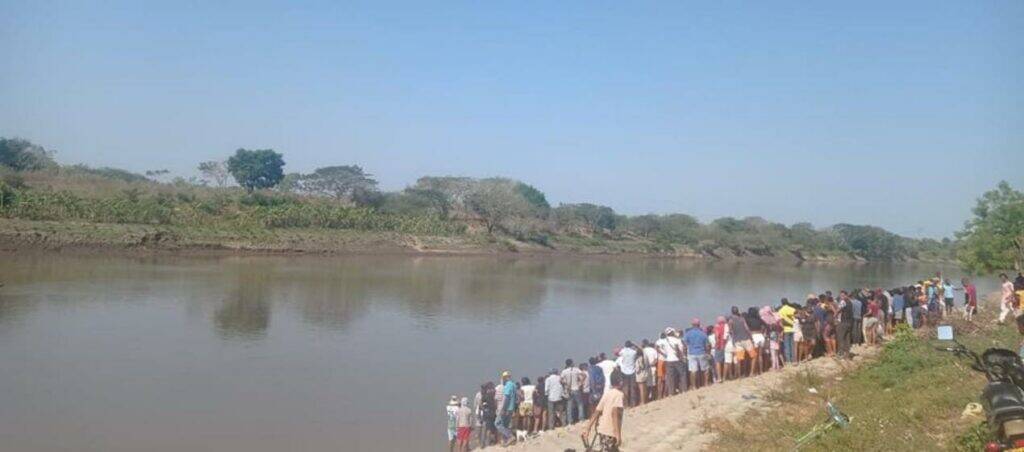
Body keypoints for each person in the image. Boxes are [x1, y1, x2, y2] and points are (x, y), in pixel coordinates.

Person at [581, 371, 625, 452]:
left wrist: (588, 428)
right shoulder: (619, 395)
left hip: (602, 430)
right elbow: (615, 414)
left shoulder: (607, 394)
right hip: (611, 432)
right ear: (621, 382)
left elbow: (597, 412)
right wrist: (617, 434)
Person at [656, 328, 686, 394]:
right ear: (672, 332)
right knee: (682, 375)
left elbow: (657, 347)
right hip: (677, 359)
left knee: (670, 377)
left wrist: (664, 354)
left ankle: (671, 392)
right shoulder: (677, 340)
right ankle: (683, 390)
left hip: (668, 360)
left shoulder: (664, 341)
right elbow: (682, 349)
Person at [729, 306, 756, 377]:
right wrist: (751, 337)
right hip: (746, 339)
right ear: (738, 311)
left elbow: (731, 331)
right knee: (753, 356)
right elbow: (747, 329)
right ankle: (751, 373)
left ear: (732, 312)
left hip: (737, 341)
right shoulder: (742, 319)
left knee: (739, 359)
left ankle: (740, 375)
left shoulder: (730, 321)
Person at [684, 318, 710, 389]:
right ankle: (706, 384)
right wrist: (708, 353)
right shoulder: (703, 334)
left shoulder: (688, 333)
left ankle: (693, 386)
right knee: (705, 369)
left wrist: (685, 354)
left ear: (692, 325)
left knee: (693, 371)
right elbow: (707, 345)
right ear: (699, 325)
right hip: (702, 352)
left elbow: (685, 345)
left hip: (692, 353)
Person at [560, 359, 586, 424]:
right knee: (579, 404)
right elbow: (584, 375)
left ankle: (570, 421)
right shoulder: (576, 369)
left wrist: (565, 384)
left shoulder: (564, 371)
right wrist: (581, 382)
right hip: (576, 388)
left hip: (569, 390)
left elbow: (560, 380)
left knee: (569, 406)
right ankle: (581, 419)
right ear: (571, 363)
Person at [496, 371, 517, 446]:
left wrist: (503, 409)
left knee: (497, 423)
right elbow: (515, 398)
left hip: (507, 408)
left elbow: (507, 398)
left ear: (505, 378)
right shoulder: (514, 385)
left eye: (503, 378)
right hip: (511, 408)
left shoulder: (508, 385)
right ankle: (506, 441)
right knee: (505, 425)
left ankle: (510, 436)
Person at [616, 342, 639, 407]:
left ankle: (626, 404)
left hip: (624, 371)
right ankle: (633, 404)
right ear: (631, 345)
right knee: (632, 388)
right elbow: (639, 350)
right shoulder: (633, 352)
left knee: (625, 388)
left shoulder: (622, 351)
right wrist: (635, 345)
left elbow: (617, 353)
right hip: (632, 371)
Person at [777, 299, 797, 364]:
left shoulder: (780, 311)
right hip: (793, 328)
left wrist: (782, 328)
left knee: (787, 346)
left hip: (786, 329)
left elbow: (780, 321)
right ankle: (794, 360)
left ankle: (788, 361)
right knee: (792, 345)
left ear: (782, 303)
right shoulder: (792, 309)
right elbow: (796, 317)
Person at [836, 292, 853, 358]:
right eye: (841, 295)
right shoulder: (850, 302)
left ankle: (841, 353)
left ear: (846, 295)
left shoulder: (843, 302)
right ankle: (847, 353)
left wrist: (834, 316)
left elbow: (838, 310)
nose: (841, 297)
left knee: (841, 338)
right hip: (849, 322)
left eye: (843, 295)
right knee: (847, 338)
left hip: (843, 322)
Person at [711, 316, 728, 383]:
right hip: (726, 345)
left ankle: (719, 377)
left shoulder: (717, 326)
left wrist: (717, 344)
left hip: (720, 345)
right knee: (725, 361)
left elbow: (717, 336)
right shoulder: (726, 326)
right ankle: (725, 377)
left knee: (718, 362)